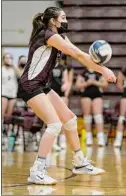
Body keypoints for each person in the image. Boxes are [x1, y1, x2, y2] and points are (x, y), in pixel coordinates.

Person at [17, 7, 116, 185]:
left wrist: (101, 69)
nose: (65, 20)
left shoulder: (60, 37)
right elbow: (77, 54)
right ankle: (37, 170)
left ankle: (79, 162)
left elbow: (81, 56)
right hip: (29, 86)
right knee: (54, 124)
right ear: (53, 21)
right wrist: (103, 69)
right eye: (63, 17)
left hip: (42, 85)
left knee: (69, 119)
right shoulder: (48, 35)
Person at [76, 68, 108, 147]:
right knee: (87, 116)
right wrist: (87, 83)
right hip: (86, 95)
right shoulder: (83, 73)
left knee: (98, 116)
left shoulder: (99, 72)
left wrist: (95, 82)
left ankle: (100, 138)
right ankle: (88, 137)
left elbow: (105, 84)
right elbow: (78, 85)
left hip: (97, 95)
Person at [2, 53, 19, 127]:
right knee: (2, 111)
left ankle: (6, 130)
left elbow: (21, 76)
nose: (8, 59)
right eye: (6, 58)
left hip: (13, 93)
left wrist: (14, 66)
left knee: (9, 114)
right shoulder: (1, 69)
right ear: (3, 59)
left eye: (10, 58)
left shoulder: (14, 69)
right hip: (3, 93)